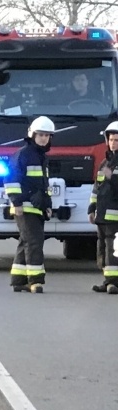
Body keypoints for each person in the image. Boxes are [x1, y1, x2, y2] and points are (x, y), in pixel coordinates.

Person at [6, 116, 56, 292]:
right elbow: (11, 179)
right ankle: (35, 281)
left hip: (37, 207)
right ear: (32, 135)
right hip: (24, 207)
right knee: (34, 242)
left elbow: (43, 185)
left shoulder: (41, 157)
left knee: (26, 241)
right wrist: (17, 202)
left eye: (47, 135)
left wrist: (48, 204)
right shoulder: (23, 154)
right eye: (40, 135)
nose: (44, 138)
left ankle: (18, 280)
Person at [90, 121, 118, 293]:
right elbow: (96, 189)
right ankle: (108, 281)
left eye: (117, 140)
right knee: (103, 248)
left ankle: (114, 282)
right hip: (102, 215)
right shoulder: (104, 164)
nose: (114, 143)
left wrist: (112, 178)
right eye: (112, 139)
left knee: (113, 249)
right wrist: (90, 209)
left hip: (115, 215)